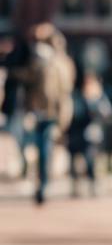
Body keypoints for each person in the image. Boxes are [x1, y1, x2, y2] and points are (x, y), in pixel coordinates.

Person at [20, 23, 76, 204]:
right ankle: (41, 182)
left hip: (49, 112)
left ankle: (42, 184)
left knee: (43, 149)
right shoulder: (46, 61)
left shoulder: (58, 63)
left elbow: (63, 91)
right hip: (41, 111)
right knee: (38, 148)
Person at [67, 71, 112, 196]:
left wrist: (96, 111)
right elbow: (72, 115)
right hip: (77, 133)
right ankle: (75, 186)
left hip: (92, 134)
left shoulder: (99, 98)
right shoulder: (77, 96)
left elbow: (109, 116)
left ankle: (93, 185)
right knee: (74, 160)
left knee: (90, 160)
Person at [0, 33, 31, 177]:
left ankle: (21, 163)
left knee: (16, 136)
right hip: (10, 106)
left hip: (15, 106)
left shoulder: (15, 65)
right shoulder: (7, 61)